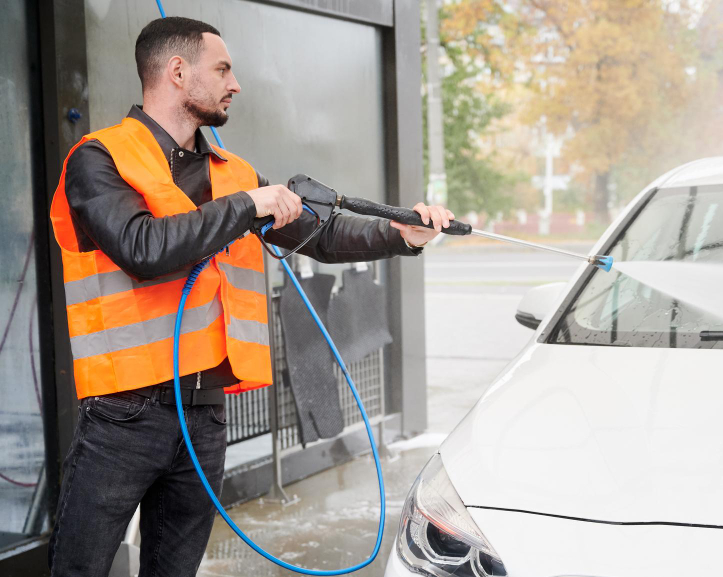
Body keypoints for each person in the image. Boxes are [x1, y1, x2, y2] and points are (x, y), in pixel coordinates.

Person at [47, 16, 451, 577]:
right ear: (178, 71)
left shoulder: (233, 174)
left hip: (206, 415)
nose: (235, 84)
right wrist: (247, 206)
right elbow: (142, 248)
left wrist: (400, 235)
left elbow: (321, 235)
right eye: (223, 69)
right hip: (123, 417)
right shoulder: (99, 159)